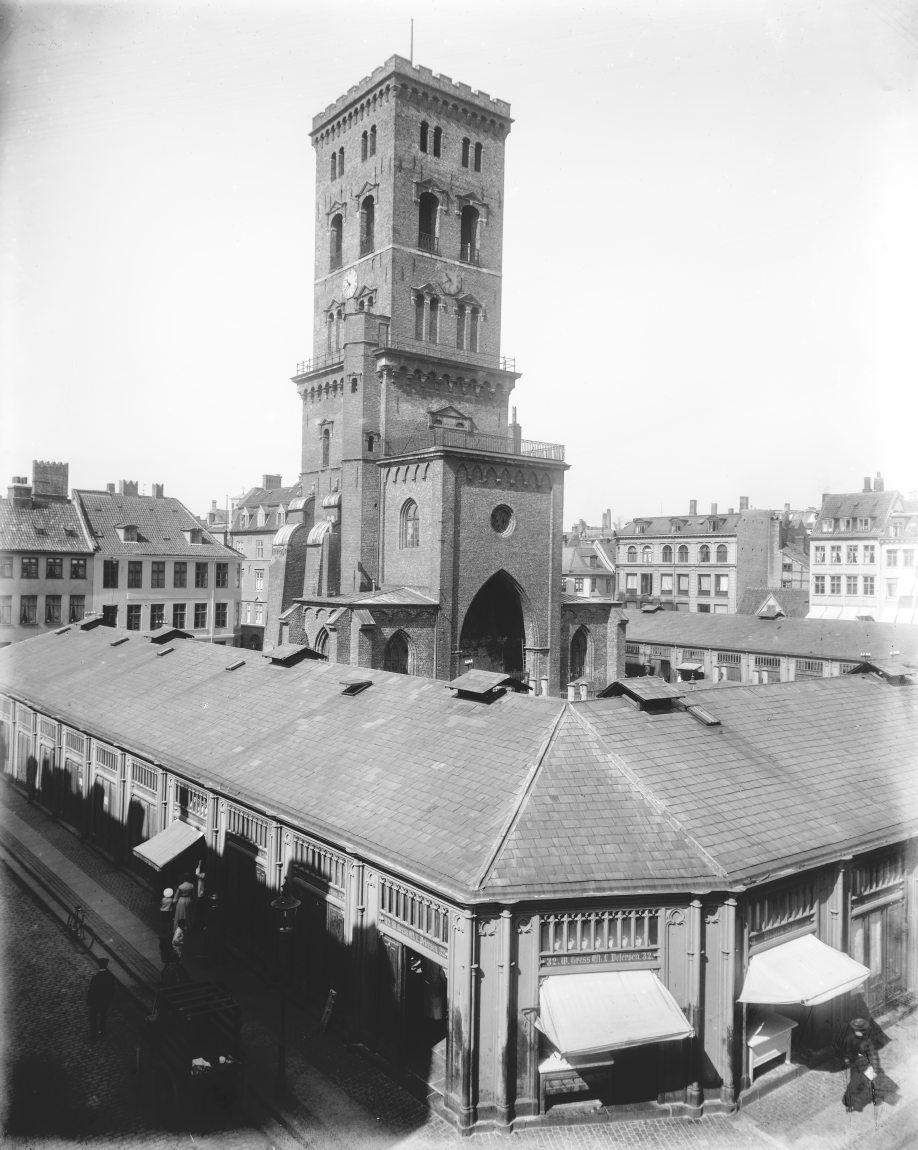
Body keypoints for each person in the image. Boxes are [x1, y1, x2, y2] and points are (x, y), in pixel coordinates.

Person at [843, 1017, 879, 1112]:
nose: (858, 1032)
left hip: (866, 1067)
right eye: (856, 1030)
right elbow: (847, 1051)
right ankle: (848, 1104)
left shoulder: (867, 1042)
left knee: (868, 1084)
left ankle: (873, 1098)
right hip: (855, 1067)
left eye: (860, 1030)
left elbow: (873, 1055)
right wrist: (847, 1059)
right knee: (853, 1085)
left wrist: (874, 1068)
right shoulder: (850, 1039)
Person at [87, 956, 117, 1038]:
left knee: (93, 1016)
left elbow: (91, 990)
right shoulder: (110, 977)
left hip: (95, 1001)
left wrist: (89, 1001)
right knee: (103, 1016)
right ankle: (102, 1031)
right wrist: (109, 999)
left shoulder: (95, 978)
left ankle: (94, 1032)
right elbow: (112, 990)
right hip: (104, 1001)